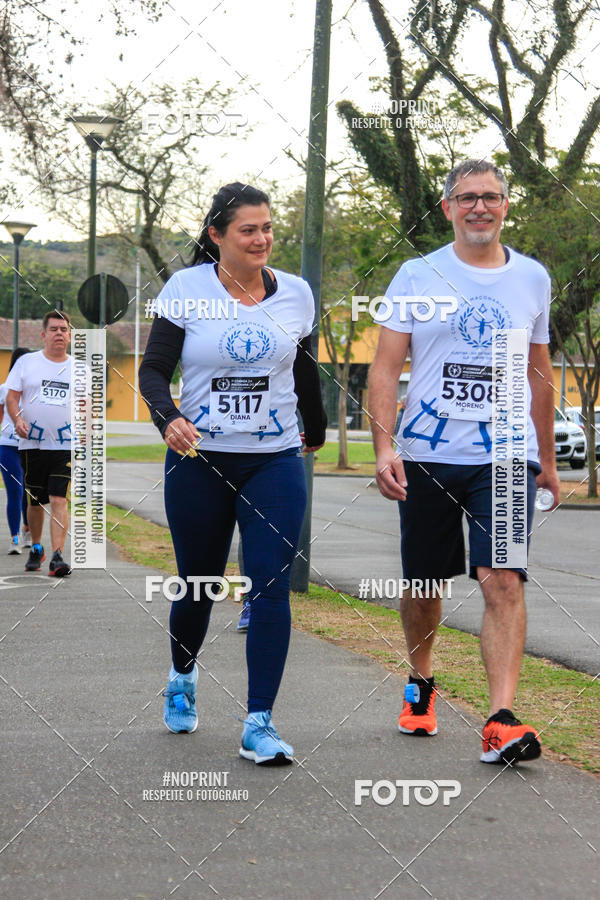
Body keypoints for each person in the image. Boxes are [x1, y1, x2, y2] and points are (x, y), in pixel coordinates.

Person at [368, 159, 558, 765]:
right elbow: (385, 369)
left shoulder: (531, 278)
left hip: (505, 457)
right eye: (468, 197)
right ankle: (420, 682)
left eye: (491, 197)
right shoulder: (416, 276)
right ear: (448, 207)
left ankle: (501, 720)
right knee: (425, 582)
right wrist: (383, 446)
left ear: (506, 205)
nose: (480, 207)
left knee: (503, 577)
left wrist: (547, 458)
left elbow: (539, 374)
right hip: (428, 455)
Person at [139, 182, 327, 765]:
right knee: (199, 583)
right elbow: (153, 371)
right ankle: (182, 674)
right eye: (248, 229)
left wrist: (315, 428)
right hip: (199, 459)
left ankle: (259, 723)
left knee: (269, 586)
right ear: (217, 235)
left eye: (267, 227)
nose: (261, 238)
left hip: (274, 458)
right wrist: (169, 418)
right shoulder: (186, 290)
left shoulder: (295, 293)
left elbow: (304, 369)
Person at [6, 310, 73, 577]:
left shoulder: (80, 368)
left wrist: (88, 430)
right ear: (44, 335)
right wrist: (17, 419)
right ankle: (36, 547)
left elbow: (88, 403)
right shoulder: (26, 363)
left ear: (70, 336)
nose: (59, 333)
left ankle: (57, 556)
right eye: (54, 329)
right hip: (32, 444)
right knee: (35, 501)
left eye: (64, 329)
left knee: (59, 497)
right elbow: (12, 397)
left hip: (64, 445)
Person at [0, 348, 31, 553]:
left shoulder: (36, 389)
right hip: (8, 446)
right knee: (15, 491)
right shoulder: (4, 389)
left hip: (31, 447)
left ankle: (28, 529)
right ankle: (14, 538)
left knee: (30, 492)